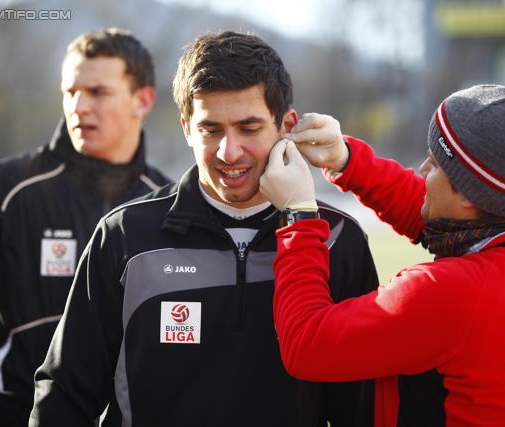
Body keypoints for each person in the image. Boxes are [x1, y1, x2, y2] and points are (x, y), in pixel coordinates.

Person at [30, 30, 379, 426]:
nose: (229, 152)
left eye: (249, 129)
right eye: (211, 130)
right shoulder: (125, 236)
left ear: (286, 125)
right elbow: (64, 396)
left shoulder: (338, 241)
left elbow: (362, 407)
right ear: (186, 128)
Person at [260, 84, 505, 426]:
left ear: (468, 195)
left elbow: (306, 344)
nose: (423, 170)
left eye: (436, 164)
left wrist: (299, 215)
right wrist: (347, 159)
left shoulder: (449, 294)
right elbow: (432, 215)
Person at [0, 28, 170, 426]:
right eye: (70, 91)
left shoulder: (165, 204)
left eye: (98, 92)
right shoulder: (7, 191)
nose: (78, 106)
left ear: (142, 100)